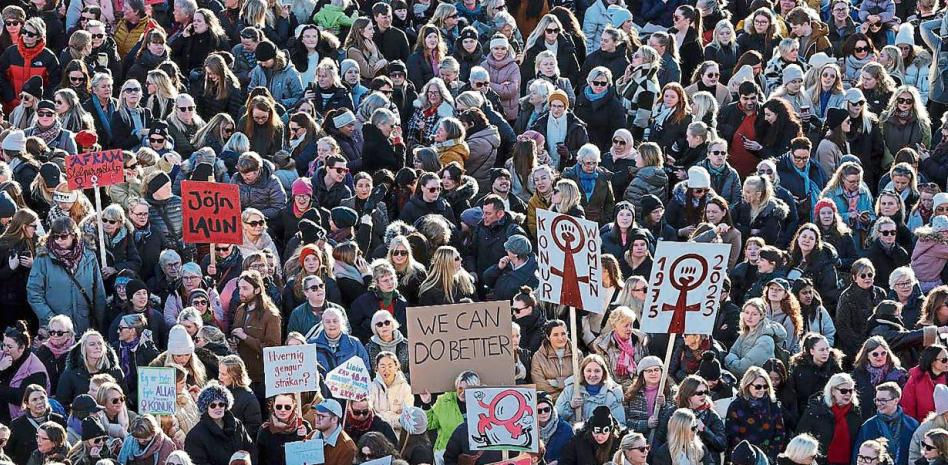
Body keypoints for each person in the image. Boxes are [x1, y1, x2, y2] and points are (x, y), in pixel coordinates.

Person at [797, 373, 863, 465]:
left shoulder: (855, 412)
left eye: (851, 391)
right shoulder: (816, 410)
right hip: (820, 461)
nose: (848, 394)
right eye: (843, 391)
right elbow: (801, 435)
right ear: (832, 391)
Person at [726, 366, 788, 460]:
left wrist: (770, 456)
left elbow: (780, 432)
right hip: (746, 458)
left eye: (765, 386)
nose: (762, 390)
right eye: (758, 386)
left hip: (769, 456)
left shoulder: (773, 404)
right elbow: (732, 436)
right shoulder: (736, 406)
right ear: (747, 385)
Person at [185, 382, 254, 465]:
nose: (218, 408)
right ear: (206, 407)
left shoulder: (237, 424)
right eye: (213, 405)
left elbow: (250, 450)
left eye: (221, 404)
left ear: (226, 406)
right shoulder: (195, 436)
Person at [853, 382, 918, 465]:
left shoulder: (912, 425)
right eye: (877, 400)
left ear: (896, 400)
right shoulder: (868, 426)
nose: (878, 403)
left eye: (883, 400)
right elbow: (857, 457)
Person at [725, 298, 788, 378]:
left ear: (761, 316)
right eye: (747, 313)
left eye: (754, 314)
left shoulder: (765, 340)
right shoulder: (745, 333)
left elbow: (742, 369)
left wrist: (729, 361)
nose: (749, 317)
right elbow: (733, 351)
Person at [255, 393, 311, 465]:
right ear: (273, 406)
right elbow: (259, 459)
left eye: (287, 407)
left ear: (293, 406)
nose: (283, 410)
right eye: (279, 407)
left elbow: (310, 457)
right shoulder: (265, 430)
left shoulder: (304, 426)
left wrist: (305, 438)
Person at [558, 405, 623, 465]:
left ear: (611, 431)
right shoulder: (579, 441)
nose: (599, 437)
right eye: (596, 433)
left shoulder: (620, 443)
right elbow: (565, 461)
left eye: (604, 433)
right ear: (590, 430)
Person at [218, 355, 262, 439]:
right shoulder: (219, 390)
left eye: (223, 374)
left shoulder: (248, 398)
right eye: (219, 372)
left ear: (235, 375)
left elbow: (253, 427)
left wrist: (232, 438)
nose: (219, 377)